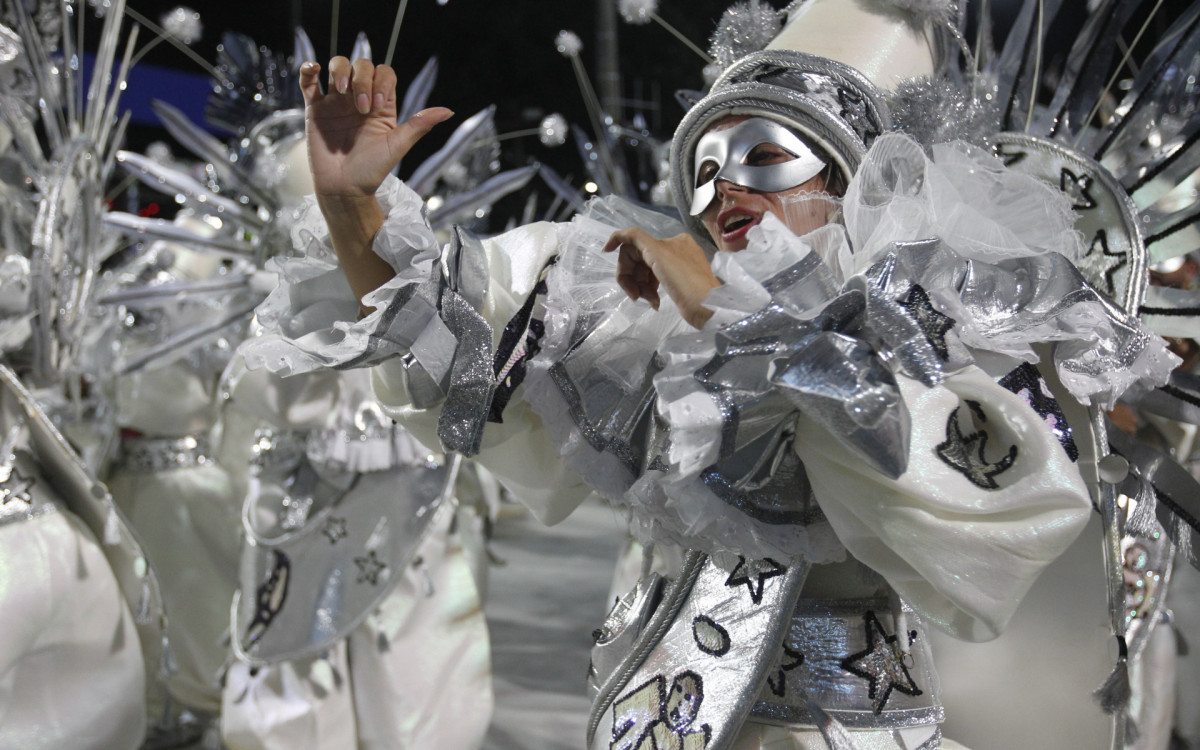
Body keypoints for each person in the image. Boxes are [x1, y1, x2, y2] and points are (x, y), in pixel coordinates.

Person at [240, 0, 1183, 746]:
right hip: (651, 713)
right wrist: (356, 216)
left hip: (843, 728)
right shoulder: (648, 302)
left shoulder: (931, 326)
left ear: (854, 180)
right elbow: (466, 331)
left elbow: (981, 511)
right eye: (703, 168)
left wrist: (743, 324)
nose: (720, 193)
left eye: (765, 159)